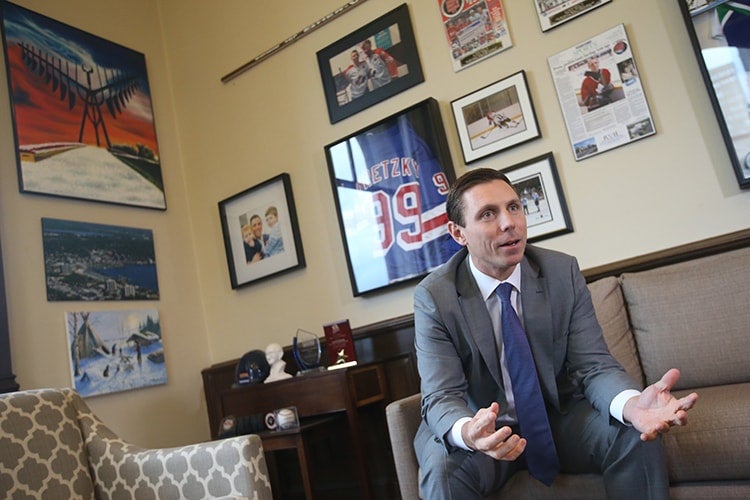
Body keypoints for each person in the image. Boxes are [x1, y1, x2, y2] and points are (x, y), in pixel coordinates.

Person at [413, 168, 698, 499]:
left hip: (557, 419)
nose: (509, 223)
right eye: (488, 214)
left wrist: (632, 405)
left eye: (514, 207)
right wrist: (469, 433)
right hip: (482, 427)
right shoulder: (436, 296)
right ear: (458, 233)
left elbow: (593, 365)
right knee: (443, 472)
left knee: (634, 432)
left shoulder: (561, 272)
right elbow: (441, 395)